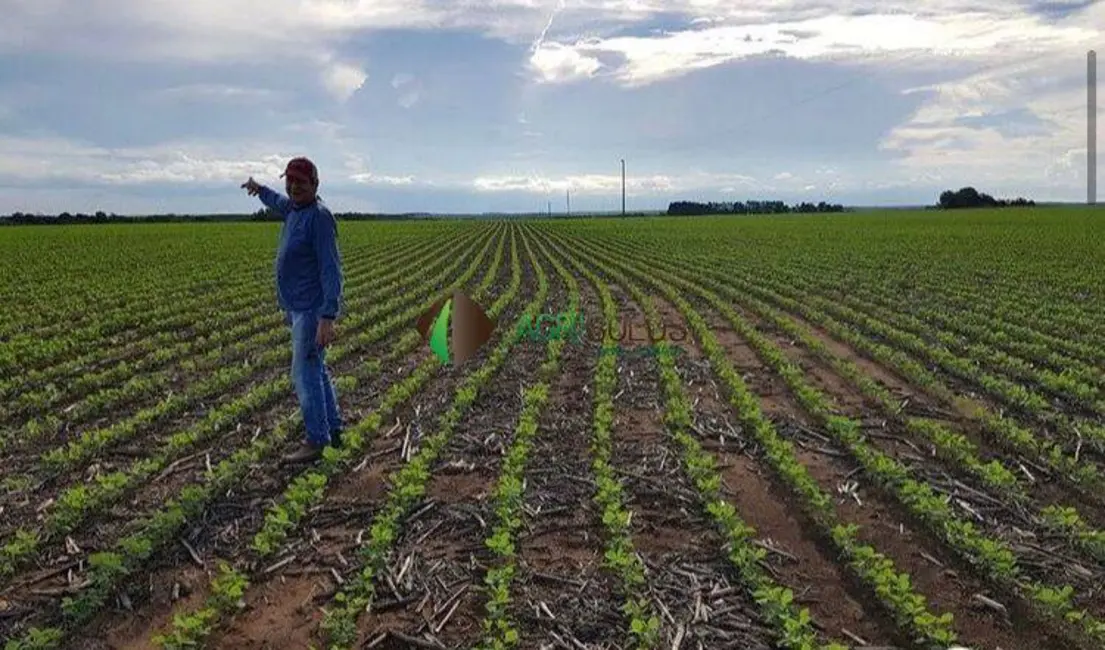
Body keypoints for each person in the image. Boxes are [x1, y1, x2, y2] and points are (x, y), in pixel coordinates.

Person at [241, 157, 344, 462]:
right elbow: (278, 201)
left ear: (315, 184)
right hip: (297, 306)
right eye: (290, 181)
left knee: (303, 373)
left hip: (311, 309)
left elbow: (331, 270)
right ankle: (333, 430)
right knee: (316, 369)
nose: (294, 186)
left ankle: (317, 440)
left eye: (301, 181)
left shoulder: (319, 218)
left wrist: (327, 316)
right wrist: (259, 189)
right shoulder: (294, 210)